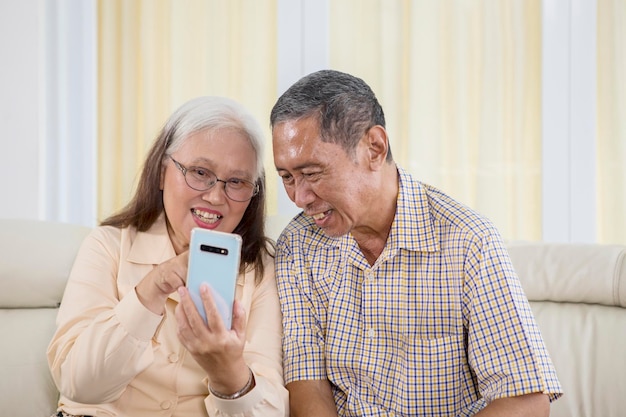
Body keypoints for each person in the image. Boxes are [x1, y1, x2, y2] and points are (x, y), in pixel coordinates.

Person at [270, 69, 563, 416]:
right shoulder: (297, 245)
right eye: (286, 177)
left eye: (312, 173)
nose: (299, 196)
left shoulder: (468, 242)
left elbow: (526, 399)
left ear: (374, 148)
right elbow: (307, 380)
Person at [47, 96, 289, 417]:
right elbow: (78, 383)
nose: (216, 196)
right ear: (162, 173)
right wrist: (152, 289)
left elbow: (270, 410)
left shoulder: (262, 272)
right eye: (200, 172)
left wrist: (229, 374)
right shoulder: (108, 246)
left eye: (236, 182)